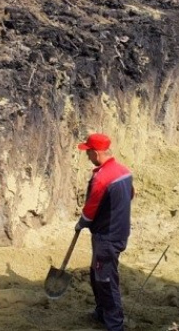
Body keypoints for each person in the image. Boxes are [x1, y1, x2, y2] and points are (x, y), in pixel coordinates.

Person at [74, 133, 134, 331]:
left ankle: (115, 324)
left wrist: (81, 223)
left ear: (96, 153)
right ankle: (101, 311)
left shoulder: (101, 178)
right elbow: (131, 194)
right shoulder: (124, 171)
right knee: (96, 271)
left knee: (105, 279)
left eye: (88, 152)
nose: (87, 156)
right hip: (119, 230)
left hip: (106, 235)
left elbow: (90, 209)